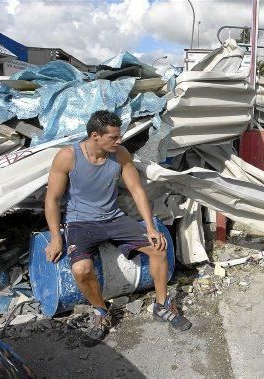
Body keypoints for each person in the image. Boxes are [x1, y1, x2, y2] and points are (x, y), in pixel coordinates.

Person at [44, 110, 191, 344]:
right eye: (113, 137)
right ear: (95, 136)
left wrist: (151, 227)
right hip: (80, 222)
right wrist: (55, 237)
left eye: (119, 136)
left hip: (114, 218)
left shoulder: (120, 154)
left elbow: (137, 190)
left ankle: (162, 304)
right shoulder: (68, 156)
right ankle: (101, 311)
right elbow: (52, 199)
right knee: (80, 270)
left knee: (158, 248)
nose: (119, 141)